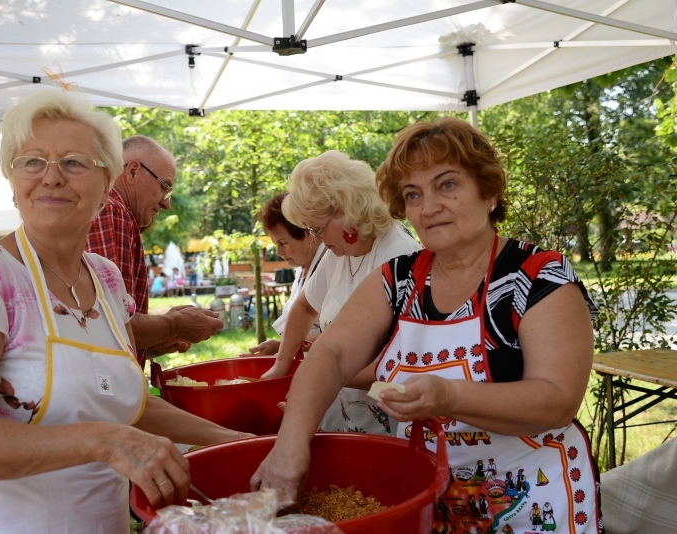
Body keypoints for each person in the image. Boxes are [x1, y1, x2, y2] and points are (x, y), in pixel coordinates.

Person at [0, 90, 249, 533]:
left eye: (74, 162)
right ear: (13, 182)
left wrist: (231, 440)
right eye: (32, 162)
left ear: (107, 184)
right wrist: (106, 441)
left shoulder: (106, 278)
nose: (51, 177)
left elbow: (115, 404)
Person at [251, 118, 601, 534]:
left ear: (488, 191)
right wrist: (291, 444)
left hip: (531, 505)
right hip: (427, 501)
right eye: (413, 194)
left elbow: (557, 400)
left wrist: (448, 395)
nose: (429, 206)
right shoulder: (397, 279)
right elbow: (331, 353)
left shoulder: (539, 277)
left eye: (447, 185)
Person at [260, 151, 421, 435]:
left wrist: (320, 379)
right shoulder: (339, 252)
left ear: (344, 212)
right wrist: (282, 364)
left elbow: (399, 360)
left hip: (393, 418)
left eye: (317, 229)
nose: (316, 239)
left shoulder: (399, 254)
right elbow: (305, 307)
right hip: (350, 410)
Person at [86, 135, 222, 361]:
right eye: (164, 187)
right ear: (132, 171)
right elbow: (111, 325)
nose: (166, 203)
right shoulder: (113, 210)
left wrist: (160, 339)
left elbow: (110, 335)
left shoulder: (113, 211)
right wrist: (175, 324)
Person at [241, 192, 327, 357]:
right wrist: (281, 348)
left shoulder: (331, 265)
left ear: (308, 234)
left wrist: (284, 347)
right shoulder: (301, 269)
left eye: (284, 243)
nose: (279, 252)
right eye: (276, 244)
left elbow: (342, 334)